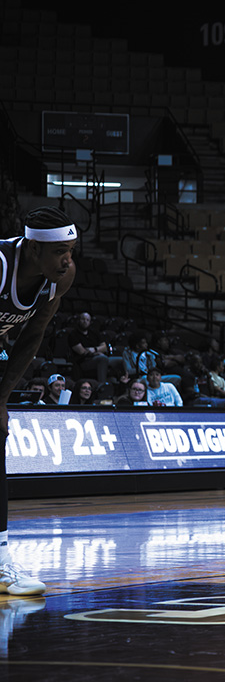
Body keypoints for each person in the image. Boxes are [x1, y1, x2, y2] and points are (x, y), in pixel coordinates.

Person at [0, 206, 78, 596]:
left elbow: (31, 339)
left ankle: (0, 564)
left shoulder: (57, 280)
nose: (68, 261)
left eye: (72, 250)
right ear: (33, 250)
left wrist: (1, 400)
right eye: (61, 252)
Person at [66, 311, 124, 384]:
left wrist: (94, 349)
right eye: (83, 319)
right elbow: (82, 352)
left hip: (98, 356)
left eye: (87, 320)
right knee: (103, 359)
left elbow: (105, 347)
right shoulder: (73, 335)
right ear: (78, 320)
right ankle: (102, 385)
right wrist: (97, 352)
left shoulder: (94, 333)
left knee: (121, 360)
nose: (85, 321)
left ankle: (122, 383)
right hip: (83, 361)